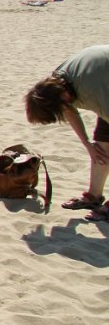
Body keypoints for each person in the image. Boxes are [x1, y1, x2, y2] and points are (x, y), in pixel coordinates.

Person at [25, 46, 109, 220]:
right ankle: (93, 197)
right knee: (101, 144)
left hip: (103, 85)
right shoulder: (56, 83)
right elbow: (68, 109)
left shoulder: (91, 91)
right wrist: (87, 144)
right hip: (104, 80)